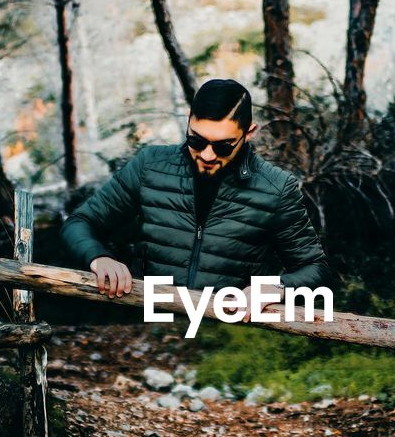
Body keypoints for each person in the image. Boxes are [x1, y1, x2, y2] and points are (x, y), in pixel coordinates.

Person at [60, 78, 330, 318]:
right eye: (197, 141)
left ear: (249, 133)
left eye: (223, 146)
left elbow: (314, 268)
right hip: (150, 327)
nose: (208, 155)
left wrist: (276, 288)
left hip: (227, 338)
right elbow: (80, 222)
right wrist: (99, 257)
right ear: (189, 121)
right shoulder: (150, 165)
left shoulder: (277, 187)